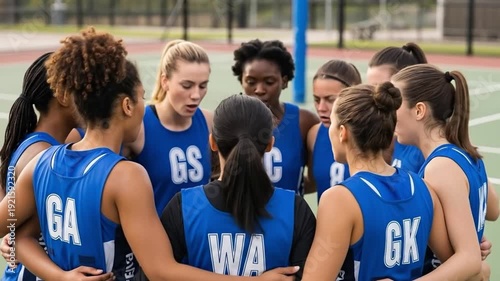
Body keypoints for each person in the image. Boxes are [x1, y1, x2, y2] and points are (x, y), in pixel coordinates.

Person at [0, 27, 298, 281]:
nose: (146, 106)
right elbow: (160, 270)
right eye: (142, 98)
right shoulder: (125, 176)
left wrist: (61, 276)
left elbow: (17, 236)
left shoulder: (43, 162)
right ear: (127, 106)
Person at [301, 82, 484, 280]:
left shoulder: (340, 199)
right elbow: (462, 265)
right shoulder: (422, 187)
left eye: (332, 125)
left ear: (342, 132)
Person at [135, 94, 316, 280]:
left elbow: (151, 275)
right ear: (270, 144)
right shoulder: (295, 210)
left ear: (212, 142)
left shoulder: (184, 208)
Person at [391, 64, 499, 278]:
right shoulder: (464, 153)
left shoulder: (441, 166)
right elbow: (493, 210)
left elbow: (468, 260)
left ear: (419, 110)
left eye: (395, 104)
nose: (389, 113)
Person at [0, 52, 83, 281]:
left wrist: (11, 230)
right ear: (64, 97)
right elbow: (6, 219)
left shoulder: (42, 141)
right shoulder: (43, 154)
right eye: (84, 90)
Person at [126, 39, 215, 215]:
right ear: (165, 81)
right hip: (157, 238)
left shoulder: (208, 121)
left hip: (199, 238)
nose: (196, 95)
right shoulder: (140, 125)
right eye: (187, 85)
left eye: (203, 86)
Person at [231, 39, 319, 195]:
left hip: (290, 218)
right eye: (251, 81)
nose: (259, 89)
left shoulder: (304, 122)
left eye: (269, 82)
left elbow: (315, 180)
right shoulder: (229, 121)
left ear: (284, 82)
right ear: (241, 80)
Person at [366, 42, 426, 173]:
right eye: (370, 89)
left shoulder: (425, 149)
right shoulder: (395, 138)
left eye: (382, 89)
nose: (374, 97)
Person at [307, 60, 361, 201]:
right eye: (317, 100)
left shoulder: (372, 136)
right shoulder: (314, 134)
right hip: (326, 222)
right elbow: (313, 183)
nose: (321, 108)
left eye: (330, 100)